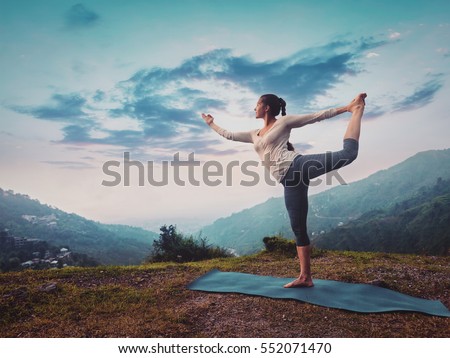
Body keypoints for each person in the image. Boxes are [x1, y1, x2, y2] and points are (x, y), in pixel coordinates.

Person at [202, 92, 366, 288]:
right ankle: (305, 277)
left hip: (296, 166)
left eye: (257, 105)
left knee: (348, 154)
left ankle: (357, 110)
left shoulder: (284, 123)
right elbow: (228, 135)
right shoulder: (254, 134)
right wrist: (212, 124)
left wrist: (346, 108)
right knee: (298, 228)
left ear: (266, 107)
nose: (254, 108)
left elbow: (316, 116)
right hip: (289, 181)